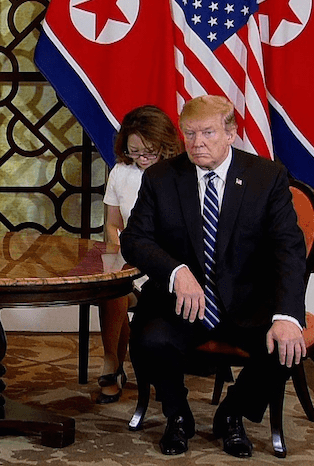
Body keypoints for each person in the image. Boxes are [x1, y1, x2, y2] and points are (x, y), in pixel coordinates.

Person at [120, 95, 307, 458]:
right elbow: (134, 239)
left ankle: (233, 415)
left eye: (207, 132)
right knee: (149, 339)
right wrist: (176, 271)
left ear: (231, 134)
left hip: (247, 302)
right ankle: (177, 416)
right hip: (182, 302)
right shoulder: (161, 177)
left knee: (286, 348)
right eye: (189, 133)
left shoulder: (266, 177)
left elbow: (289, 251)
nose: (197, 142)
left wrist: (287, 316)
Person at [96, 105, 183, 404]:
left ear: (165, 144)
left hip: (165, 268)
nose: (142, 158)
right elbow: (112, 224)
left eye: (150, 151)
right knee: (112, 291)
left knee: (122, 293)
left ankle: (137, 367)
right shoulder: (121, 173)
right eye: (135, 152)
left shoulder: (179, 174)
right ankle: (112, 364)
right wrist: (120, 249)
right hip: (129, 262)